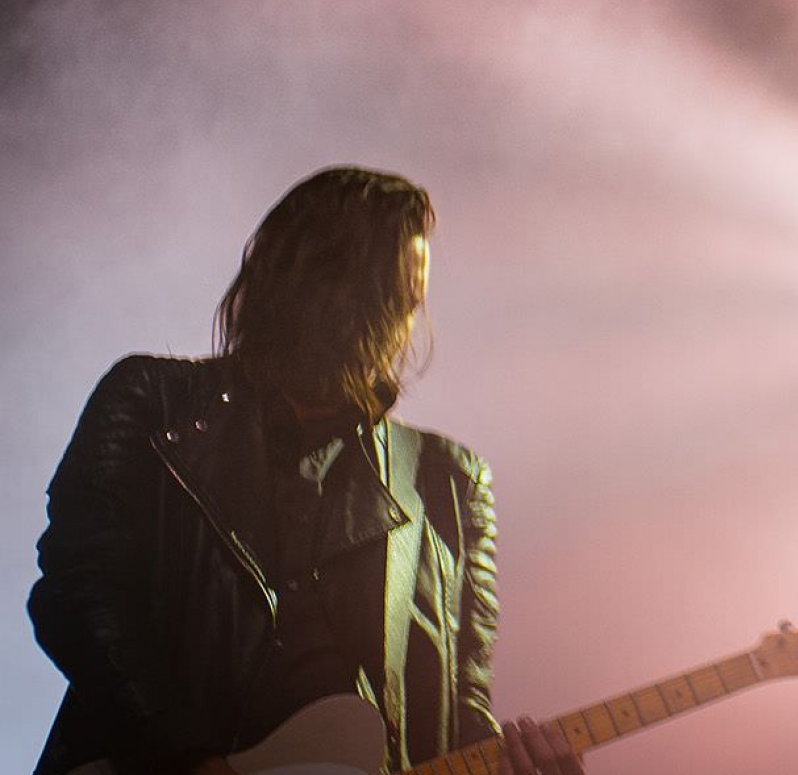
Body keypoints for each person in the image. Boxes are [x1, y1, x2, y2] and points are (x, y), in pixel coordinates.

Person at [29, 167, 584, 775]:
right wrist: (185, 757)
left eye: (410, 298)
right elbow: (79, 592)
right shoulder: (152, 403)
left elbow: (454, 715)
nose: (405, 320)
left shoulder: (447, 480)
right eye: (389, 292)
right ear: (311, 281)